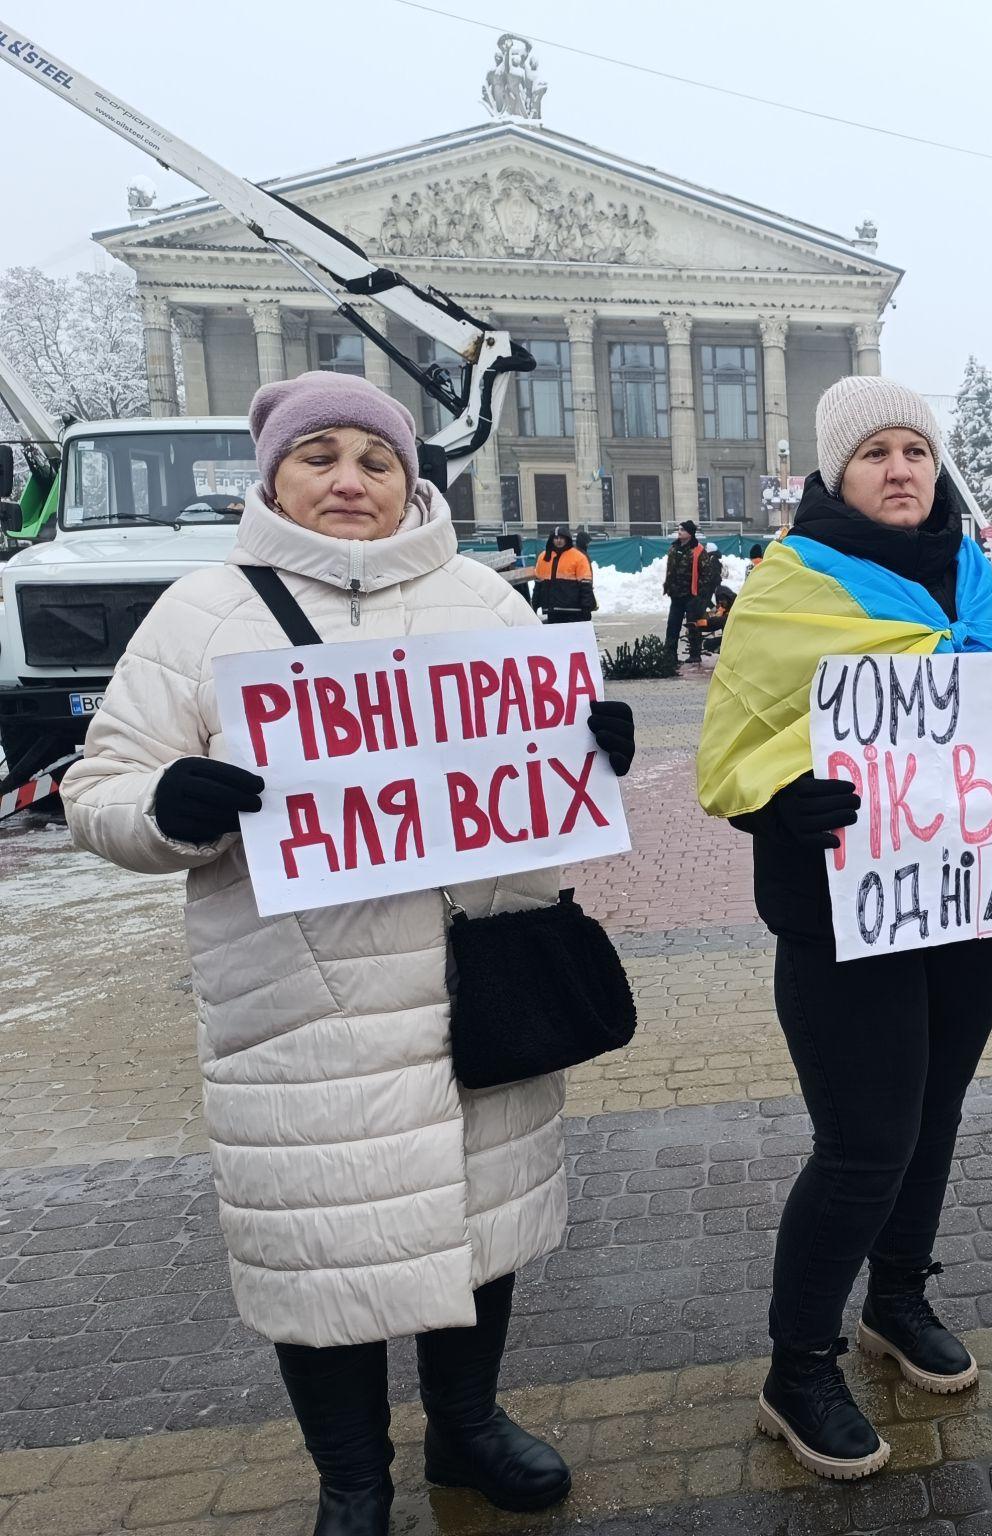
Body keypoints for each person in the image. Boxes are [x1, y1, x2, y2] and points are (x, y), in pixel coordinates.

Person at [60, 372, 637, 1536]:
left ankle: (468, 1432)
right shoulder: (206, 611)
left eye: (376, 461)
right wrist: (171, 804)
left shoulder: (484, 596)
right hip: (300, 1007)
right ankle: (353, 1480)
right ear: (270, 473)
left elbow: (539, 774)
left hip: (479, 986)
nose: (349, 481)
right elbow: (98, 791)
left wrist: (596, 748)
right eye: (318, 455)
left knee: (481, 1225)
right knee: (320, 1250)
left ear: (409, 479)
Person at [697, 377, 992, 1481]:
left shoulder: (975, 578)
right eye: (874, 453)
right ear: (833, 473)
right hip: (839, 912)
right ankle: (795, 1363)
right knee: (862, 1145)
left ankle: (895, 1301)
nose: (900, 468)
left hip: (966, 900)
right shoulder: (787, 586)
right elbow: (732, 745)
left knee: (935, 1113)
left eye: (915, 449)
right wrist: (776, 800)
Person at [663, 521, 722, 668]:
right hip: (676, 595)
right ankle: (669, 655)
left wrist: (700, 594)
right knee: (672, 626)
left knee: (693, 625)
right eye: (679, 529)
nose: (679, 531)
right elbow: (670, 570)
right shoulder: (673, 548)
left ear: (690, 533)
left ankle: (695, 654)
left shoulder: (698, 550)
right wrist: (668, 586)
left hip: (692, 595)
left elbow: (706, 574)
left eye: (683, 529)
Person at [530, 526, 596, 623]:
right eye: (556, 538)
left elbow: (585, 585)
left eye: (561, 538)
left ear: (567, 539)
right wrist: (534, 605)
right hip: (552, 611)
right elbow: (538, 585)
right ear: (551, 540)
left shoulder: (578, 557)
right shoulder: (543, 557)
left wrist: (586, 608)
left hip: (574, 611)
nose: (558, 541)